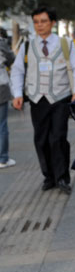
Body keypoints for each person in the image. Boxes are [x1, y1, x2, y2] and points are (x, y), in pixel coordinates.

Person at [10, 6, 75, 193]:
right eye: (36, 22)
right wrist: (17, 94)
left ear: (52, 23)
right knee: (41, 139)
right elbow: (18, 71)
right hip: (36, 98)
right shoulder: (27, 46)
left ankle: (62, 178)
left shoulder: (65, 44)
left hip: (61, 97)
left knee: (58, 138)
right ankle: (48, 176)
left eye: (43, 21)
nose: (39, 25)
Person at [0, 28, 15, 169]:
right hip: (1, 87)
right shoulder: (1, 43)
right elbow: (12, 58)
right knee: (2, 124)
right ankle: (3, 158)